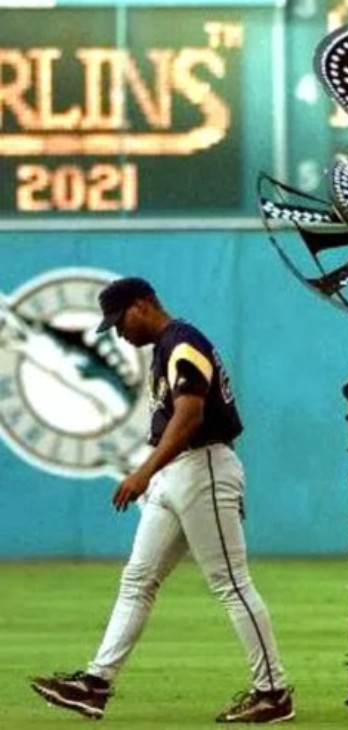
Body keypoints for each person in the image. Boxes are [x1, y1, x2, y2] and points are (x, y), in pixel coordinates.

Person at [30, 277, 294, 724]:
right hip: (178, 474)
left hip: (203, 466)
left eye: (120, 321)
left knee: (231, 583)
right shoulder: (166, 348)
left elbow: (190, 416)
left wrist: (144, 471)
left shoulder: (183, 342)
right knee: (137, 580)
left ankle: (273, 692)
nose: (119, 333)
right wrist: (156, 474)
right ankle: (95, 684)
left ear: (143, 304)